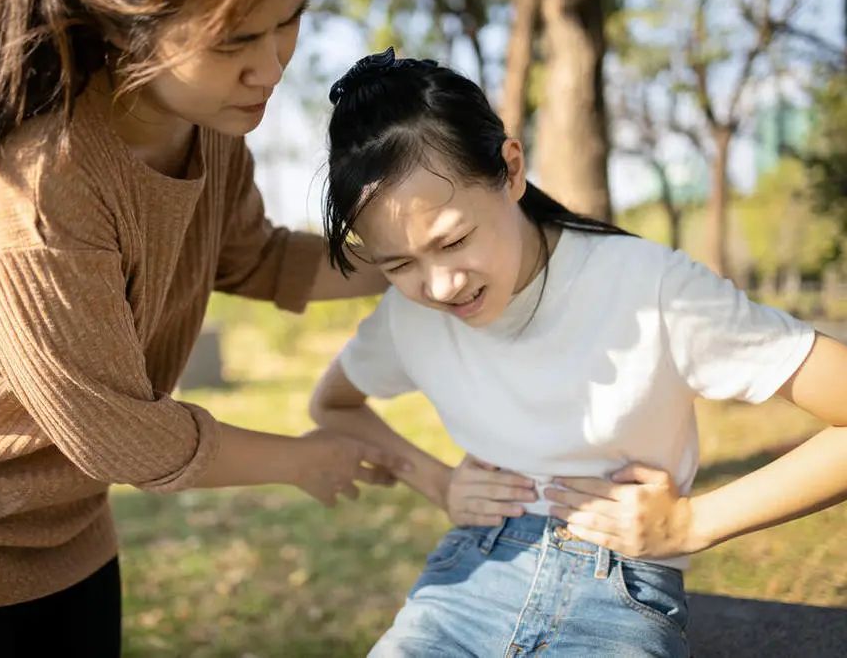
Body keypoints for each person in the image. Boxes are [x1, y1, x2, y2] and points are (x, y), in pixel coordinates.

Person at [0, 0, 409, 657]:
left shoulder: (207, 122)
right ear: (125, 29)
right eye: (233, 44)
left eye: (287, 23)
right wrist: (303, 459)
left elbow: (254, 256)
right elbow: (120, 434)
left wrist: (420, 260)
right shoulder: (25, 189)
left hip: (67, 531)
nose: (272, 66)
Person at [310, 48, 847, 657]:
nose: (439, 286)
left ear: (511, 170)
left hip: (618, 589)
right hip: (465, 583)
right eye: (400, 263)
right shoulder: (408, 315)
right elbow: (333, 404)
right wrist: (437, 483)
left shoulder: (651, 289)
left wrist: (694, 523)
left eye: (454, 240)